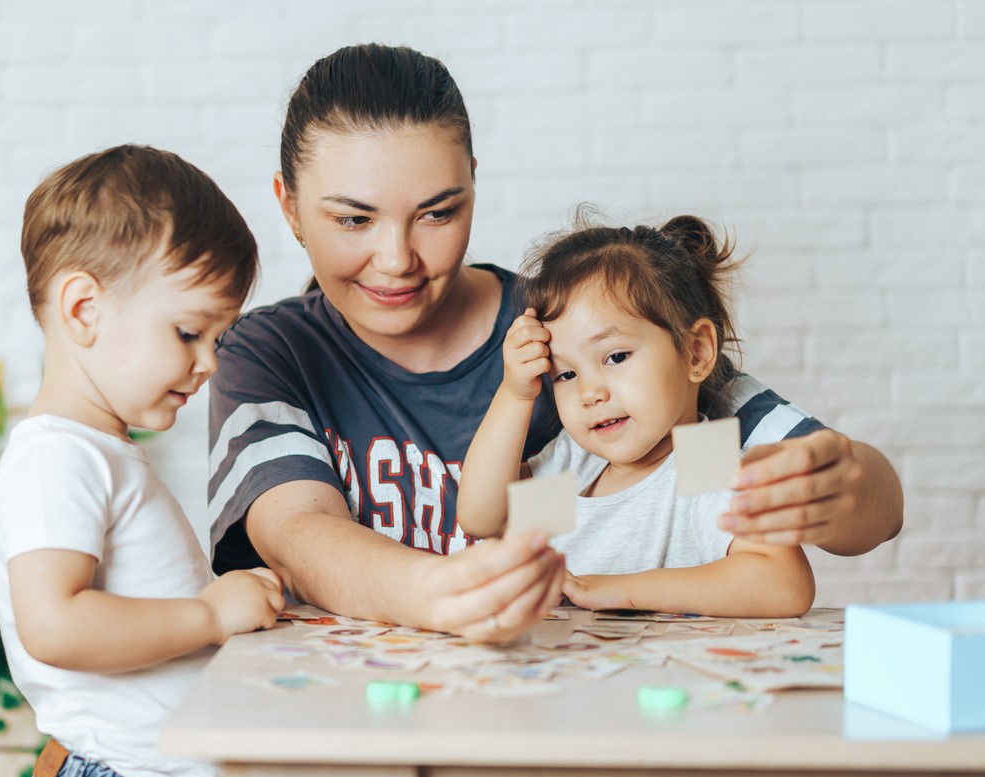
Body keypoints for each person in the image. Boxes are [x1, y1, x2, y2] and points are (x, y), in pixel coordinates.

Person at [207, 44, 902, 643]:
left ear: (474, 186)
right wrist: (450, 589)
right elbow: (299, 535)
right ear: (290, 206)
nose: (396, 258)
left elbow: (846, 507)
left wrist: (841, 487)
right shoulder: (272, 353)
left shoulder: (572, 325)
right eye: (353, 219)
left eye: (437, 213)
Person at [0, 145, 285, 777]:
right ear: (84, 309)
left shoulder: (101, 452)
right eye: (187, 331)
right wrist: (208, 613)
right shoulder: (55, 459)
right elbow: (56, 625)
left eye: (219, 338)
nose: (208, 361)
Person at [458, 214, 816, 618]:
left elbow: (785, 584)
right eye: (565, 374)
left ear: (696, 352)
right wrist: (516, 392)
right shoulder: (577, 468)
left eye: (616, 357)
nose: (590, 392)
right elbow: (482, 517)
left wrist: (621, 590)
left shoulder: (701, 458)